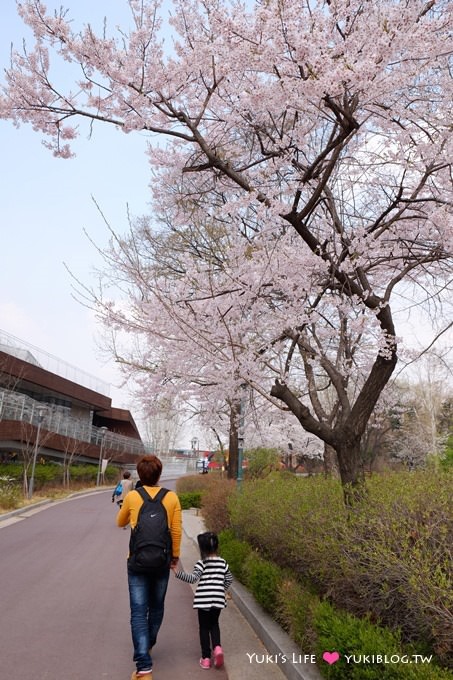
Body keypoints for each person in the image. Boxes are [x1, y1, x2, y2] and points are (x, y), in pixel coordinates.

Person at [117, 455, 182, 680]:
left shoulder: (134, 496)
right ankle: (148, 643)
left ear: (140, 474)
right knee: (156, 607)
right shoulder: (171, 497)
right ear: (159, 474)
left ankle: (144, 666)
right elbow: (176, 531)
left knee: (137, 611)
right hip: (162, 561)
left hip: (136, 562)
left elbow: (120, 522)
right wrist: (175, 557)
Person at [173, 531, 233, 670]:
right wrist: (220, 589)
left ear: (203, 549)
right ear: (216, 547)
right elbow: (229, 579)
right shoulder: (223, 563)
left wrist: (177, 572)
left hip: (203, 600)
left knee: (204, 627)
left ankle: (206, 658)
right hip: (218, 599)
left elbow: (193, 579)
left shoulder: (201, 563)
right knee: (214, 624)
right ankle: (217, 648)